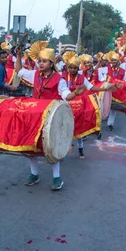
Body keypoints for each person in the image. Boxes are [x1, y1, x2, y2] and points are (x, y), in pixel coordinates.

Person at [15, 42, 82, 190]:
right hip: (34, 116)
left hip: (51, 118)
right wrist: (19, 55)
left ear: (51, 63)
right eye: (39, 61)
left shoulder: (60, 80)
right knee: (31, 146)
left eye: (44, 61)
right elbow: (19, 71)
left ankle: (57, 178)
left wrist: (75, 93)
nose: (40, 63)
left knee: (51, 147)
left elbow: (66, 96)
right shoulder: (35, 74)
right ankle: (34, 174)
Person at [62, 52, 117, 159]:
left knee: (78, 128)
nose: (72, 70)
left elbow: (92, 88)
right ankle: (62, 151)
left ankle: (80, 148)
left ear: (78, 68)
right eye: (70, 67)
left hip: (78, 107)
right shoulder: (62, 76)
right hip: (65, 104)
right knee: (64, 128)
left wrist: (104, 89)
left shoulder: (82, 78)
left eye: (74, 68)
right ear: (67, 67)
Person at [107, 52, 125, 131]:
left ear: (118, 62)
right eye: (112, 60)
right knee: (104, 107)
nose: (113, 62)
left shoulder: (123, 71)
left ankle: (110, 124)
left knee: (113, 109)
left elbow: (125, 81)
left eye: (115, 60)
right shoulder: (107, 68)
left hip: (117, 92)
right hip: (107, 90)